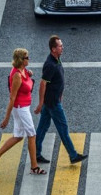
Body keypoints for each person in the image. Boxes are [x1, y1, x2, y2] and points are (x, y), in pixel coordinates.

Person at [0, 48, 47, 175]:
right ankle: (34, 167)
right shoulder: (17, 76)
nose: (29, 59)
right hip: (20, 109)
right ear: (21, 60)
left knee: (18, 136)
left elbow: (26, 78)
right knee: (32, 134)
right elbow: (12, 98)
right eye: (27, 58)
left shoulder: (23, 70)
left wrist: (29, 74)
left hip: (23, 108)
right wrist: (6, 118)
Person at [34, 35, 87, 164]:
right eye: (60, 46)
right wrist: (40, 104)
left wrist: (60, 94)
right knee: (63, 128)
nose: (62, 47)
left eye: (61, 45)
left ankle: (35, 153)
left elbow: (58, 81)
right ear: (53, 49)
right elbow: (43, 84)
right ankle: (73, 155)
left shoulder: (57, 59)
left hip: (52, 100)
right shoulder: (50, 65)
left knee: (42, 127)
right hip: (52, 103)